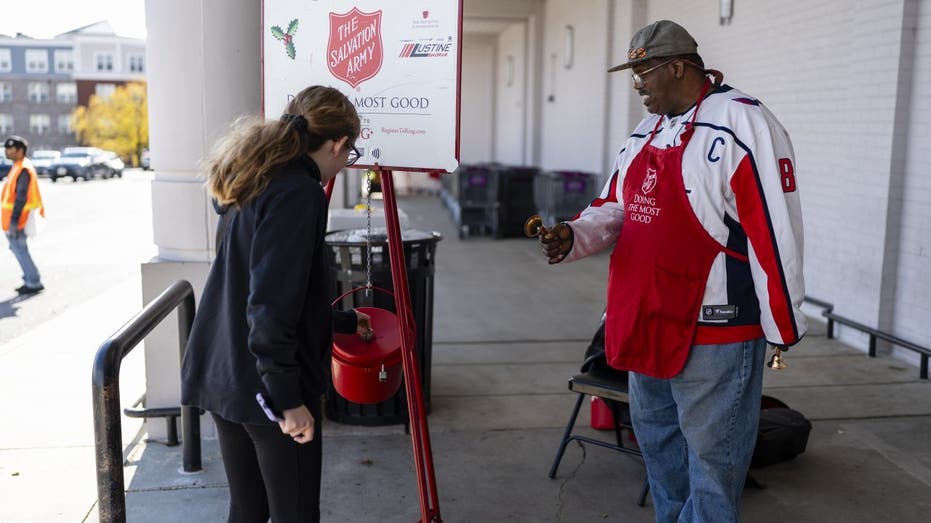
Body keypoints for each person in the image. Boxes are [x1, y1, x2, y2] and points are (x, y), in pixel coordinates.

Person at [540, 20, 806, 522]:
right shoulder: (646, 131)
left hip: (717, 331)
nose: (637, 82)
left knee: (712, 463)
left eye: (644, 70)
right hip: (644, 320)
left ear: (679, 66)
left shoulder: (743, 124)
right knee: (660, 453)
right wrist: (573, 234)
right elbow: (615, 207)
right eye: (634, 71)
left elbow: (776, 231)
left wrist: (783, 323)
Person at [181, 85, 372, 523]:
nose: (345, 163)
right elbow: (269, 303)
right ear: (337, 143)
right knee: (296, 514)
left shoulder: (254, 176)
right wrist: (288, 400)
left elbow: (258, 286)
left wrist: (341, 321)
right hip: (265, 387)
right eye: (350, 153)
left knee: (248, 511)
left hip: (222, 370)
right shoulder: (298, 193)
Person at [2, 135, 45, 295]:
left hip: (18, 220)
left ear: (20, 151)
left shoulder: (23, 169)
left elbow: (21, 197)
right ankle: (30, 279)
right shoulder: (17, 166)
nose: (7, 152)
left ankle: (33, 281)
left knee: (21, 251)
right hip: (14, 219)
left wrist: (13, 222)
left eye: (10, 149)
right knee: (19, 250)